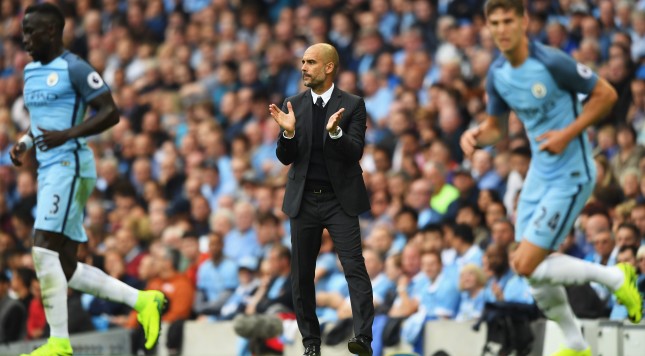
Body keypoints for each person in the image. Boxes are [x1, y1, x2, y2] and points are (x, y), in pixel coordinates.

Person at [460, 1, 642, 356]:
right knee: (528, 270)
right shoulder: (497, 74)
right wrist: (475, 136)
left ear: (524, 21)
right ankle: (576, 345)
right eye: (494, 22)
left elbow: (606, 95)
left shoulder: (551, 61)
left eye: (508, 20)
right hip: (538, 176)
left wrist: (568, 133)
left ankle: (617, 278)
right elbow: (496, 129)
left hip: (572, 174)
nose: (501, 29)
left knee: (526, 263)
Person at [9, 4, 166, 356]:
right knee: (63, 265)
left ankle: (59, 342)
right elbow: (39, 123)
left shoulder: (75, 68)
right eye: (24, 30)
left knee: (42, 249)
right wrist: (23, 143)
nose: (25, 38)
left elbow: (110, 112)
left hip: (70, 164)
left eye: (32, 31)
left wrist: (68, 134)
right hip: (48, 167)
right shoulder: (31, 71)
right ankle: (143, 301)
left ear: (52, 32)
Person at [269, 43, 374, 356]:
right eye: (302, 61)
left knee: (354, 267)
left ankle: (363, 338)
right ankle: (310, 343)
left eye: (311, 62)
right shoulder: (293, 104)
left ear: (329, 67)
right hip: (304, 201)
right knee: (301, 275)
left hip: (339, 200)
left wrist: (336, 134)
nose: (303, 67)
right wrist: (287, 134)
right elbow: (285, 158)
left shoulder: (353, 104)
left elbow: (355, 151)